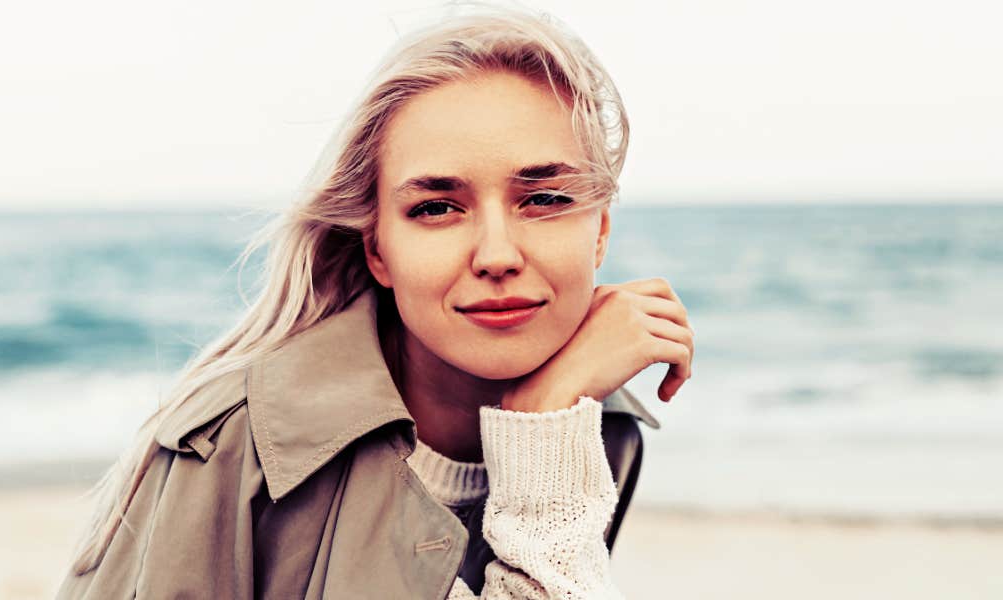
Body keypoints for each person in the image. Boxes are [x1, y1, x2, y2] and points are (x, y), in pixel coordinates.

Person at [56, 3, 693, 598]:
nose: (497, 254)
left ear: (601, 228)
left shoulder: (603, 430)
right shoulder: (231, 448)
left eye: (545, 200)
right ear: (377, 248)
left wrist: (548, 427)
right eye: (437, 208)